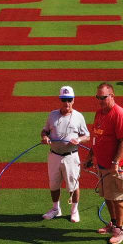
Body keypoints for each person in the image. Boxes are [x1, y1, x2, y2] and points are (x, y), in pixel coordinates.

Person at [86, 83, 123, 244]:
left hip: (115, 165)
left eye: (103, 97)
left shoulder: (119, 114)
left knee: (118, 197)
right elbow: (96, 137)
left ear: (112, 96)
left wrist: (116, 162)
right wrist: (91, 155)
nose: (100, 101)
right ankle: (113, 223)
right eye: (98, 97)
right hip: (103, 164)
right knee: (108, 195)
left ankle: (120, 230)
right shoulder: (99, 113)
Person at [40, 85, 91, 222]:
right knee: (54, 184)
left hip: (71, 156)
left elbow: (87, 135)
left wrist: (79, 139)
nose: (66, 103)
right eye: (64, 99)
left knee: (73, 185)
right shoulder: (52, 115)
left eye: (69, 99)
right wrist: (45, 137)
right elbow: (45, 131)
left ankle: (74, 210)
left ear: (73, 100)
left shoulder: (78, 116)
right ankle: (56, 209)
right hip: (54, 155)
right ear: (60, 100)